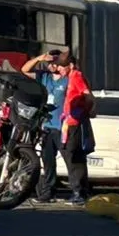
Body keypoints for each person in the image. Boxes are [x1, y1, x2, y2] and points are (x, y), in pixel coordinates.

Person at [20, 50, 70, 205]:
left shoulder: (67, 80)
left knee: (70, 160)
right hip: (47, 126)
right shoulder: (44, 77)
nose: (52, 66)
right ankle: (47, 193)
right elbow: (24, 70)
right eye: (50, 63)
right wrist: (39, 58)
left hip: (62, 127)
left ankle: (80, 192)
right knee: (48, 161)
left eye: (55, 63)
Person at [54, 50, 95, 204]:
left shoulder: (76, 76)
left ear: (70, 65)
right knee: (69, 153)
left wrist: (84, 112)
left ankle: (79, 191)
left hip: (75, 122)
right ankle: (79, 190)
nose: (59, 69)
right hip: (68, 123)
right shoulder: (69, 78)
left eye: (61, 66)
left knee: (73, 154)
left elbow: (88, 96)